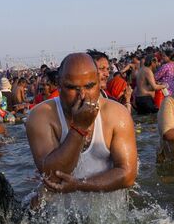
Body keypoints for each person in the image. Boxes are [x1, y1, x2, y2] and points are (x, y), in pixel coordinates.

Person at [25, 53, 137, 193]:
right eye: (72, 88)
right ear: (59, 85)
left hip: (108, 210)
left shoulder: (118, 115)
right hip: (57, 212)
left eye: (90, 86)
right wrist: (79, 128)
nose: (82, 95)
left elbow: (128, 175)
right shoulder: (41, 116)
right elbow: (53, 176)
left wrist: (80, 185)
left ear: (99, 81)